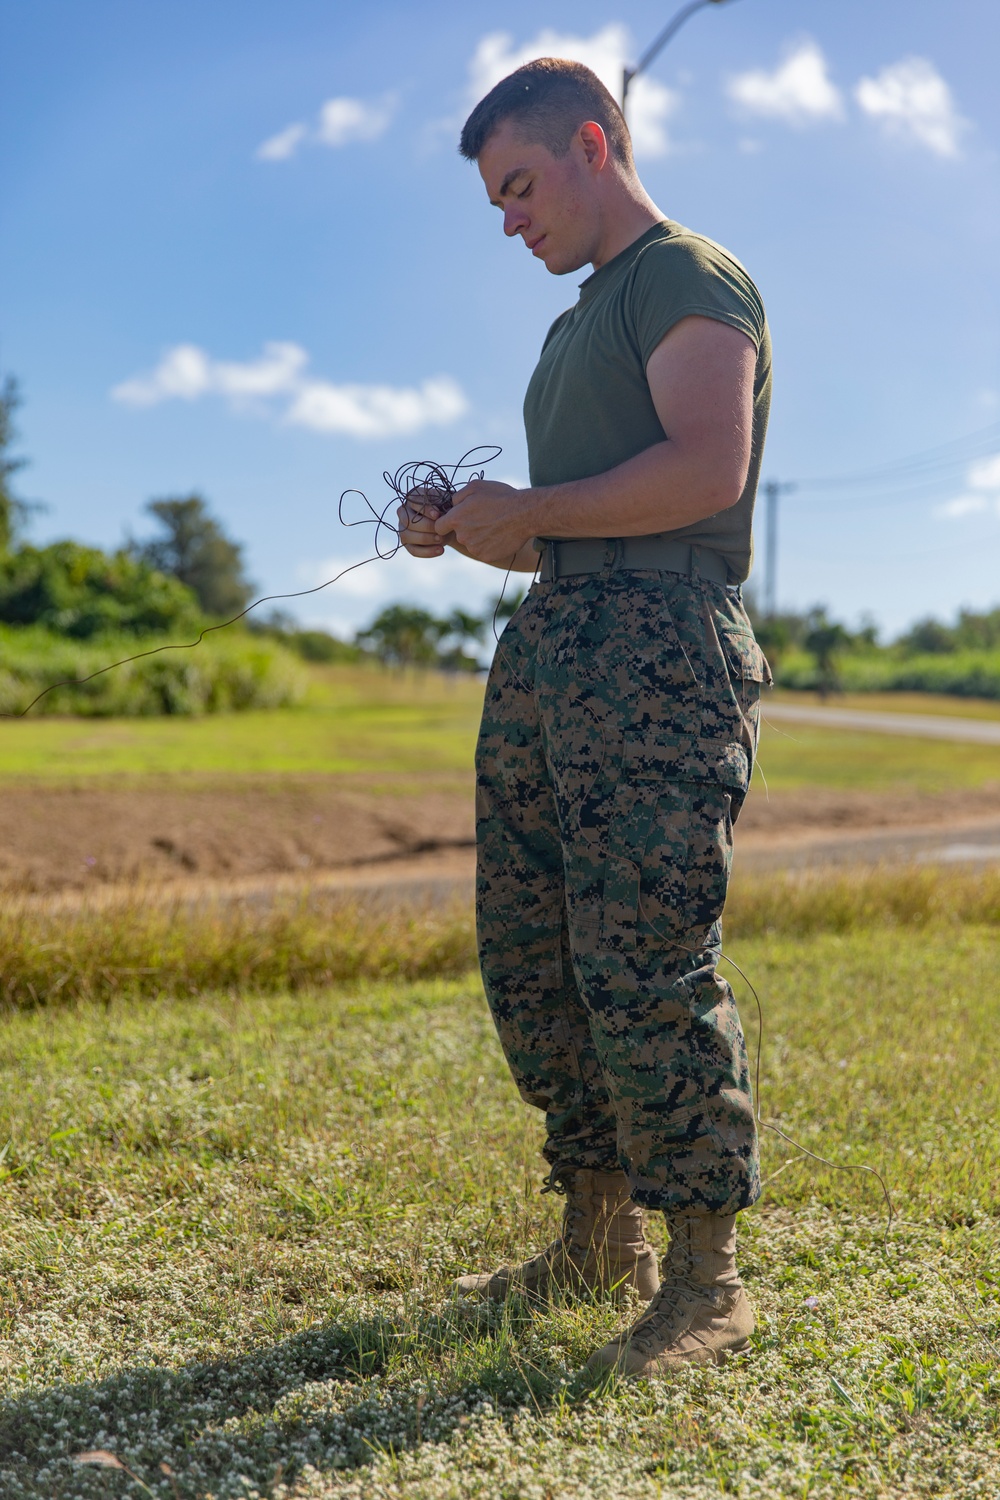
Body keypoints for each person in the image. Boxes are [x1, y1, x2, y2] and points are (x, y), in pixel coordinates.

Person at [398, 57, 771, 1379]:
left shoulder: (686, 275)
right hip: (561, 643)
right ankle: (596, 1231)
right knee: (539, 952)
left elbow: (704, 469)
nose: (509, 221)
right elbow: (572, 529)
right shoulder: (578, 324)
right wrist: (476, 527)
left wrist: (538, 512)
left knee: (644, 954)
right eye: (494, 202)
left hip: (661, 653)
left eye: (518, 186)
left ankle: (708, 1283)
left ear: (591, 146)